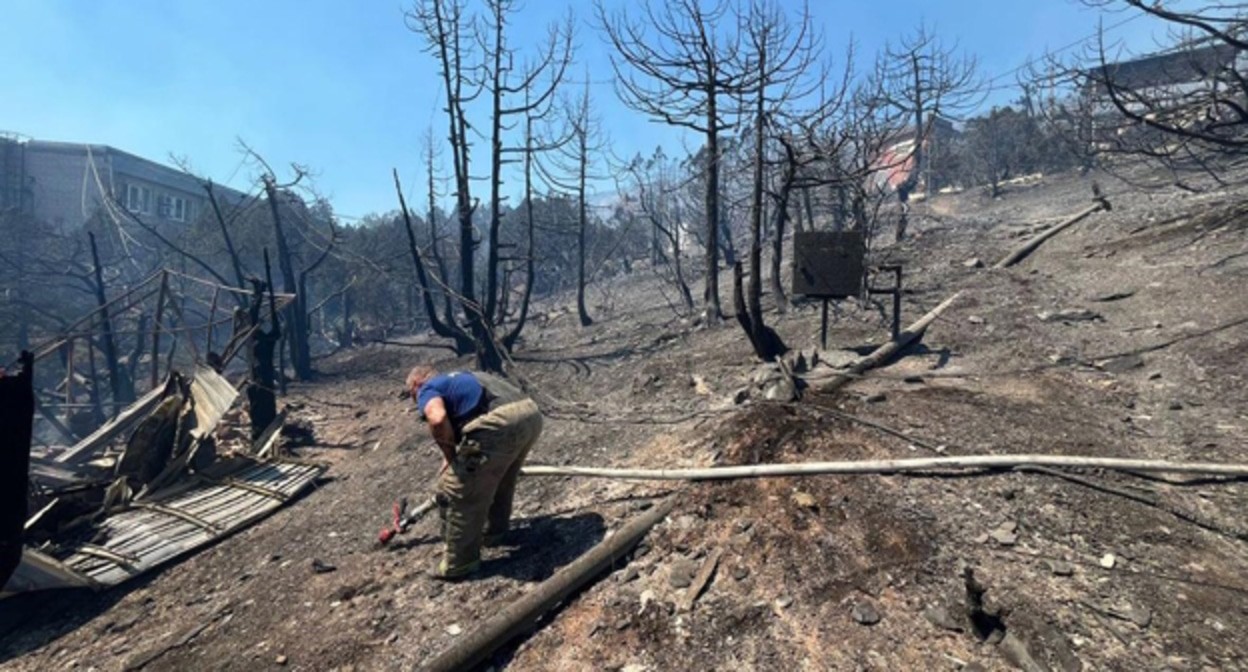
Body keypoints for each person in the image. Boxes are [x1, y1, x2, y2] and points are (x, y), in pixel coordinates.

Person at [405, 365, 543, 579]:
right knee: (501, 478)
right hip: (530, 414)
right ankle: (494, 533)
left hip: (498, 424)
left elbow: (438, 419)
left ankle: (459, 563)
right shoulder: (464, 377)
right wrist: (449, 456)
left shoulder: (427, 388)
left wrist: (452, 460)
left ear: (416, 384)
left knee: (456, 490)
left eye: (412, 395)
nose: (415, 402)